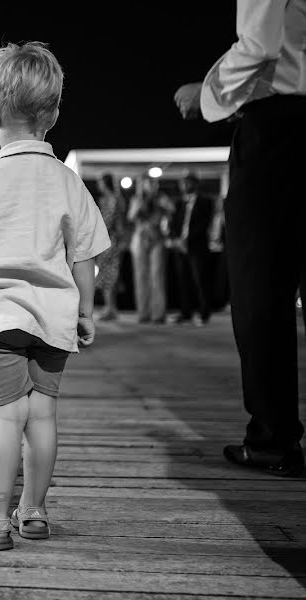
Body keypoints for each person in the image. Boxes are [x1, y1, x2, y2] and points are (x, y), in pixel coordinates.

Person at [0, 42, 110, 551]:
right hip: (54, 320)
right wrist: (85, 309)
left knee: (4, 417)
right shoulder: (68, 182)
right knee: (43, 416)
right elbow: (84, 257)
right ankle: (33, 512)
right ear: (54, 114)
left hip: (0, 317)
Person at [174, 1, 305, 476]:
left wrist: (209, 94)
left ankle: (273, 437)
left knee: (261, 290)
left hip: (282, 130)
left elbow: (260, 44)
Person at [165, 172, 213, 326]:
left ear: (194, 184)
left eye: (186, 183)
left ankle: (204, 313)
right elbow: (173, 224)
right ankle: (186, 312)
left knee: (200, 280)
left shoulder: (206, 202)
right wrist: (175, 239)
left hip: (196, 247)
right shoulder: (179, 203)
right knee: (183, 280)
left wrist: (187, 239)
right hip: (180, 247)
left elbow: (204, 224)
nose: (183, 186)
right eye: (182, 183)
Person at [127, 176, 172, 324]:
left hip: (157, 237)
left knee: (157, 274)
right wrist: (140, 204)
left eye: (154, 184)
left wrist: (162, 204)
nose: (151, 187)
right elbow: (131, 217)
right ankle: (143, 313)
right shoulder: (137, 199)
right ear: (143, 186)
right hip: (140, 238)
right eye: (148, 184)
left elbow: (172, 211)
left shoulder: (161, 198)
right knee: (141, 275)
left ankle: (158, 314)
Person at [93, 173, 127, 321]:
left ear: (105, 183)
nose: (99, 185)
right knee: (108, 273)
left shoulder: (112, 199)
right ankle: (110, 307)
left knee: (109, 273)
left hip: (110, 239)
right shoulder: (110, 199)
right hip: (109, 239)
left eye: (100, 182)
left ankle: (111, 308)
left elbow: (109, 220)